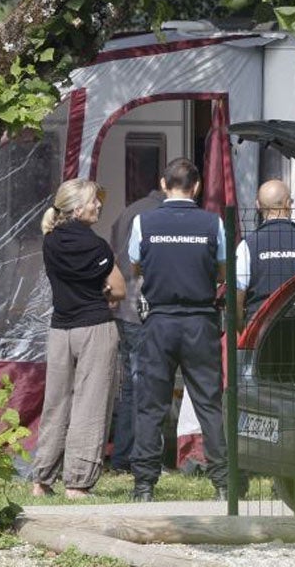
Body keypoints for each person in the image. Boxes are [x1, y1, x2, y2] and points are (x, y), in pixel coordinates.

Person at [127, 158, 228, 502]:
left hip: (159, 322)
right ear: (196, 187)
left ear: (163, 183)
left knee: (150, 406)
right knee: (209, 404)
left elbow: (136, 264)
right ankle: (223, 483)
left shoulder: (144, 221)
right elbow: (221, 271)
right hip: (200, 321)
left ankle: (144, 486)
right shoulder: (213, 222)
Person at [32, 178, 126, 499]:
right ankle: (78, 482)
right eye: (93, 201)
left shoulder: (49, 242)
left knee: (55, 402)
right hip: (94, 327)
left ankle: (41, 478)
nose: (99, 205)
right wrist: (102, 289)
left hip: (59, 330)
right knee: (91, 403)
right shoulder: (97, 246)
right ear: (77, 208)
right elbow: (119, 288)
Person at [107, 188, 166, 473]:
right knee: (147, 386)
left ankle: (123, 456)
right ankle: (143, 456)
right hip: (145, 309)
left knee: (130, 387)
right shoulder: (162, 215)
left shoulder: (130, 210)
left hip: (124, 309)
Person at [236, 179, 295, 326]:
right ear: (288, 203)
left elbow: (236, 297)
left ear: (257, 205)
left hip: (260, 330)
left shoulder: (247, 246)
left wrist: (242, 331)